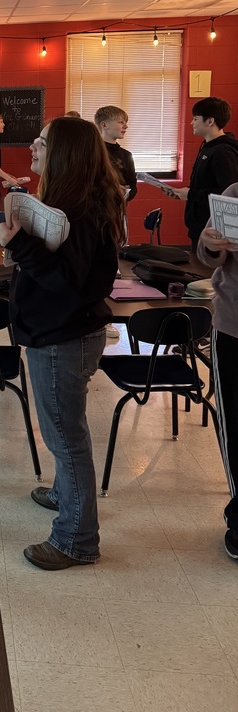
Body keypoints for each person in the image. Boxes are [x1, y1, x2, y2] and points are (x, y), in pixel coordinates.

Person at [0, 117, 125, 570]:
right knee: (63, 432)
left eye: (42, 141)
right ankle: (62, 493)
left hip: (63, 338)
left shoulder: (82, 212)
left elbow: (69, 286)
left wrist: (21, 248)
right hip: (61, 334)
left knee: (66, 438)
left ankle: (76, 538)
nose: (33, 146)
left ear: (65, 153)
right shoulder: (72, 201)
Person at [197, 184, 238, 561]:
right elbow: (206, 255)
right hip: (231, 326)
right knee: (233, 426)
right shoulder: (235, 193)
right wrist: (212, 244)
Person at [165, 97, 238, 248]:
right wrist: (184, 194)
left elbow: (229, 194)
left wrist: (191, 194)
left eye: (195, 118)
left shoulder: (222, 152)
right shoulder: (208, 147)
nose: (192, 122)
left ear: (210, 121)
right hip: (200, 226)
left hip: (213, 232)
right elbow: (205, 185)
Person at [94, 105, 137, 202]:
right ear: (104, 125)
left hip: (119, 211)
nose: (126, 126)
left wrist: (126, 194)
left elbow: (133, 185)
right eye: (121, 122)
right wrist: (113, 190)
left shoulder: (126, 155)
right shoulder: (92, 152)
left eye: (125, 123)